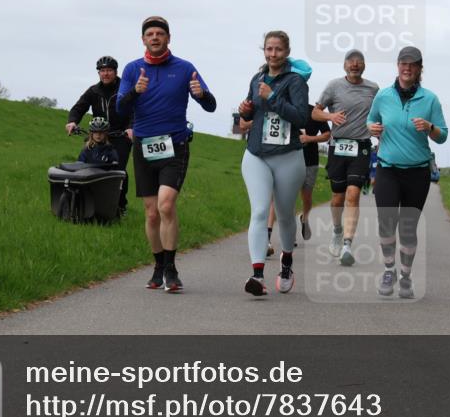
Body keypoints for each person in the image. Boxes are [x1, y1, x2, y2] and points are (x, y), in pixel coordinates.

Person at [117, 16, 217, 293]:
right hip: (144, 146)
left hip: (175, 144)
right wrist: (135, 92)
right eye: (150, 34)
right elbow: (120, 110)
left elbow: (210, 106)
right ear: (143, 40)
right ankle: (158, 266)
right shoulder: (132, 69)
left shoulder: (185, 69)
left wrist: (201, 94)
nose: (155, 37)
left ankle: (172, 269)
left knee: (165, 205)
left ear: (169, 38)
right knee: (151, 214)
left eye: (160, 33)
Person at [367, 46, 448, 299]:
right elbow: (370, 120)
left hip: (417, 172)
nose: (407, 68)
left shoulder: (430, 99)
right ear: (398, 66)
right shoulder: (383, 96)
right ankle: (389, 270)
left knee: (408, 228)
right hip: (387, 168)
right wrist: (373, 128)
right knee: (387, 223)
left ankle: (405, 275)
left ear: (420, 69)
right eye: (403, 63)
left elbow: (443, 135)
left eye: (413, 64)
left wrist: (429, 126)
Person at [238, 30, 310, 296]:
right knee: (258, 212)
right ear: (264, 51)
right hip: (256, 154)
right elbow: (253, 110)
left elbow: (301, 117)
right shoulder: (257, 78)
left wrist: (273, 98)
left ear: (286, 52)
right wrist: (247, 109)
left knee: (284, 215)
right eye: (268, 49)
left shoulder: (296, 82)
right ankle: (257, 275)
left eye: (278, 49)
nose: (273, 54)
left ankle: (287, 261)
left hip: (288, 157)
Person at [313, 49, 379, 266]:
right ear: (344, 65)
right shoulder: (333, 86)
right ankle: (337, 230)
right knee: (338, 198)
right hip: (338, 146)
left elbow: (380, 114)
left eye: (359, 62)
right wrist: (330, 116)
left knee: (353, 195)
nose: (355, 65)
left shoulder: (373, 89)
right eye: (351, 61)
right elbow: (315, 112)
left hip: (361, 147)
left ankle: (348, 245)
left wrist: (379, 128)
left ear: (364, 65)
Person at [66, 56, 133, 212]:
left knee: (118, 170)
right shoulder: (93, 91)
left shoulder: (125, 88)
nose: (105, 74)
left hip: (121, 136)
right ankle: (93, 201)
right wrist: (72, 121)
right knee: (91, 167)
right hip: (99, 135)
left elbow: (134, 111)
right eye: (102, 71)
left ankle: (120, 206)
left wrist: (130, 128)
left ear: (115, 72)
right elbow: (78, 108)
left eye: (109, 70)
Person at [299, 103, 331, 240]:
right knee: (288, 197)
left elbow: (327, 134)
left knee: (306, 196)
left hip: (310, 160)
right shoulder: (286, 108)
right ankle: (289, 233)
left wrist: (309, 139)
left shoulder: (314, 112)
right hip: (289, 160)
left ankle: (304, 218)